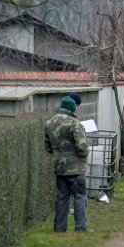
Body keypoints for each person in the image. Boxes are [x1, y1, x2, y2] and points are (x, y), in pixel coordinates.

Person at [44, 96, 90, 232]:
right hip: (76, 168)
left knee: (62, 199)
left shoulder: (49, 123)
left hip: (59, 168)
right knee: (80, 197)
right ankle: (81, 228)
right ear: (72, 108)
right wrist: (82, 157)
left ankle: (59, 229)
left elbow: (47, 147)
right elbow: (82, 147)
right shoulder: (74, 123)